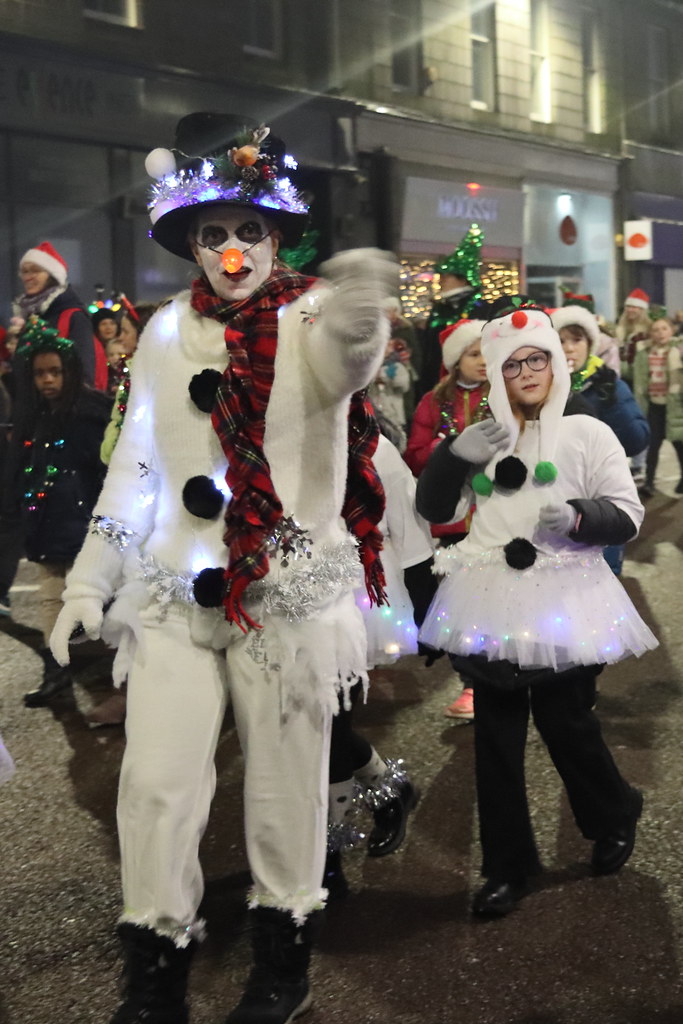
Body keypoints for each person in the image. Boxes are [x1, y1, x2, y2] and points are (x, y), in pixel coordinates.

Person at [49, 111, 397, 1024]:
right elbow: (136, 471)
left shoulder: (311, 314)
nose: (232, 251)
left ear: (274, 236)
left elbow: (346, 365)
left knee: (284, 793)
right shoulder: (165, 332)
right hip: (174, 594)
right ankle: (154, 970)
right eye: (213, 234)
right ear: (191, 246)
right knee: (156, 785)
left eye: (248, 231)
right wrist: (90, 580)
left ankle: (283, 965)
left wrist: (364, 319)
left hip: (283, 595)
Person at [416, 302, 658, 917]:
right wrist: (452, 456)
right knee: (495, 741)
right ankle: (507, 866)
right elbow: (435, 509)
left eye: (537, 359)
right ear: (496, 372)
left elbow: (627, 513)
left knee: (568, 726)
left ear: (555, 365)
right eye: (513, 362)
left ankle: (611, 813)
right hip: (492, 602)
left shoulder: (587, 432)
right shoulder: (484, 435)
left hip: (564, 601)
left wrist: (580, 518)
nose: (527, 372)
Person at [326, 433, 434, 898]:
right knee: (312, 725)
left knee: (329, 725)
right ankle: (390, 792)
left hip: (355, 594)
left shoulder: (372, 445)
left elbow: (410, 532)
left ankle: (327, 857)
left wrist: (427, 607)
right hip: (284, 597)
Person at [3, 317, 111, 706]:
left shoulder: (89, 413)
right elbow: (23, 471)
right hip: (48, 525)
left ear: (70, 371)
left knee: (101, 599)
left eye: (55, 372)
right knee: (51, 598)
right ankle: (56, 671)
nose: (48, 380)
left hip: (85, 526)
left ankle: (119, 674)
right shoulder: (34, 417)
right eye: (40, 373)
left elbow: (105, 469)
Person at [405, 318, 489, 720]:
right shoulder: (433, 402)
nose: (483, 361)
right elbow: (415, 454)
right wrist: (445, 451)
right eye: (474, 354)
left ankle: (506, 671)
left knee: (494, 600)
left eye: (487, 352)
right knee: (457, 602)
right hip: (453, 524)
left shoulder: (502, 396)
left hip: (492, 518)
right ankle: (471, 684)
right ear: (456, 361)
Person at [550, 304, 650, 574]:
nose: (569, 348)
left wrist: (613, 402)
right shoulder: (539, 388)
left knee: (598, 589)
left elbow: (638, 440)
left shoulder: (609, 384)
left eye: (577, 339)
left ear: (590, 343)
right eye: (561, 340)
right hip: (553, 505)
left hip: (601, 504)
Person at [416, 223, 484, 400]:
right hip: (433, 383)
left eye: (447, 276)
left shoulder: (476, 308)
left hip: (464, 386)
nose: (441, 281)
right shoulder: (440, 307)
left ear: (464, 279)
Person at [632, 315, 683, 497]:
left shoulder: (678, 350)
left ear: (672, 331)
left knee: (679, 443)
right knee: (653, 445)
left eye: (664, 329)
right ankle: (649, 482)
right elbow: (638, 377)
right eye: (656, 329)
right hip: (654, 405)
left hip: (675, 405)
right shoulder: (645, 352)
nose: (660, 333)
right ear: (650, 333)